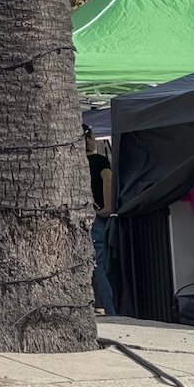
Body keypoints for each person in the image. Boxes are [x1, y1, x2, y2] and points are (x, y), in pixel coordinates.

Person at [86, 125, 116, 315]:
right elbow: (108, 179)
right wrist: (107, 208)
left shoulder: (71, 163)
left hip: (81, 217)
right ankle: (112, 309)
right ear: (89, 140)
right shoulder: (99, 161)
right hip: (98, 218)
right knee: (102, 266)